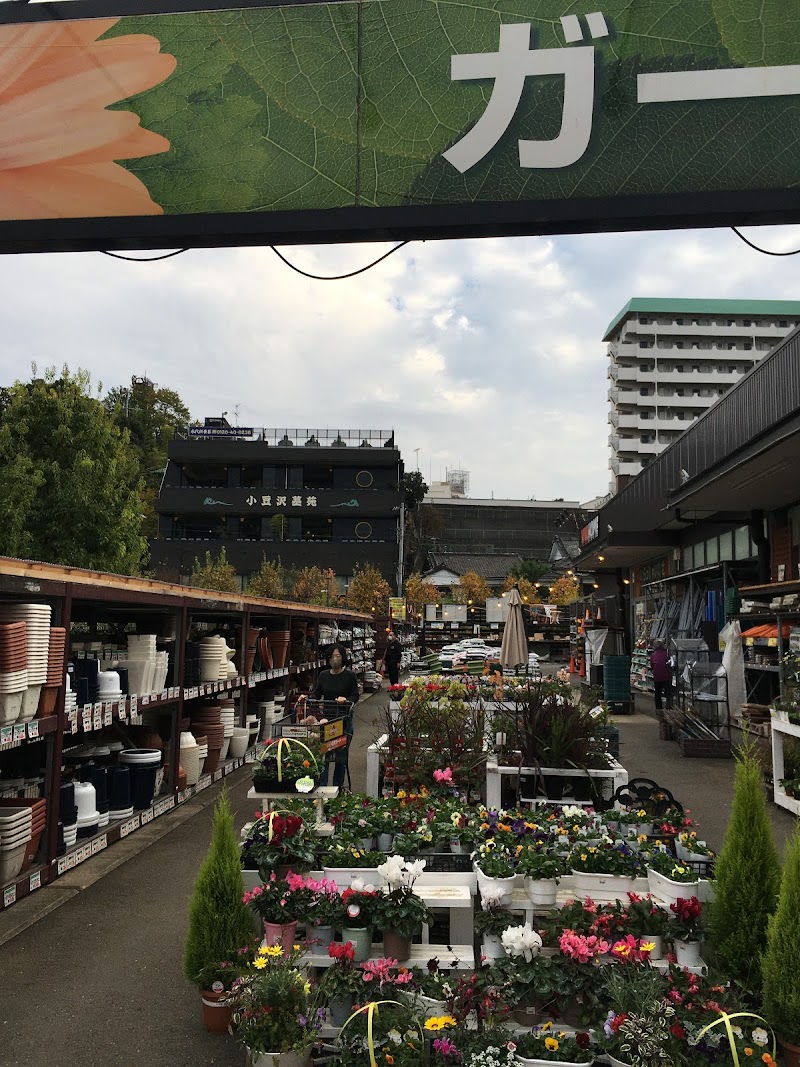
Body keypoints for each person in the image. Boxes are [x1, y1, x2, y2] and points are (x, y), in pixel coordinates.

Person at [313, 643, 360, 789]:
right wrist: (307, 698)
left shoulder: (350, 676)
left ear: (343, 657)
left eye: (338, 656)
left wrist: (346, 700)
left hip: (343, 721)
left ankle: (337, 788)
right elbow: (317, 693)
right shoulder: (323, 676)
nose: (335, 659)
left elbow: (355, 695)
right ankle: (323, 788)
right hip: (327, 721)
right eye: (332, 656)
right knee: (324, 755)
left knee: (340, 756)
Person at [650, 639, 673, 712]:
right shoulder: (667, 654)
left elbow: (652, 665)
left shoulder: (653, 655)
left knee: (658, 693)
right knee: (668, 693)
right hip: (666, 675)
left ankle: (658, 709)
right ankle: (669, 707)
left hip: (657, 676)